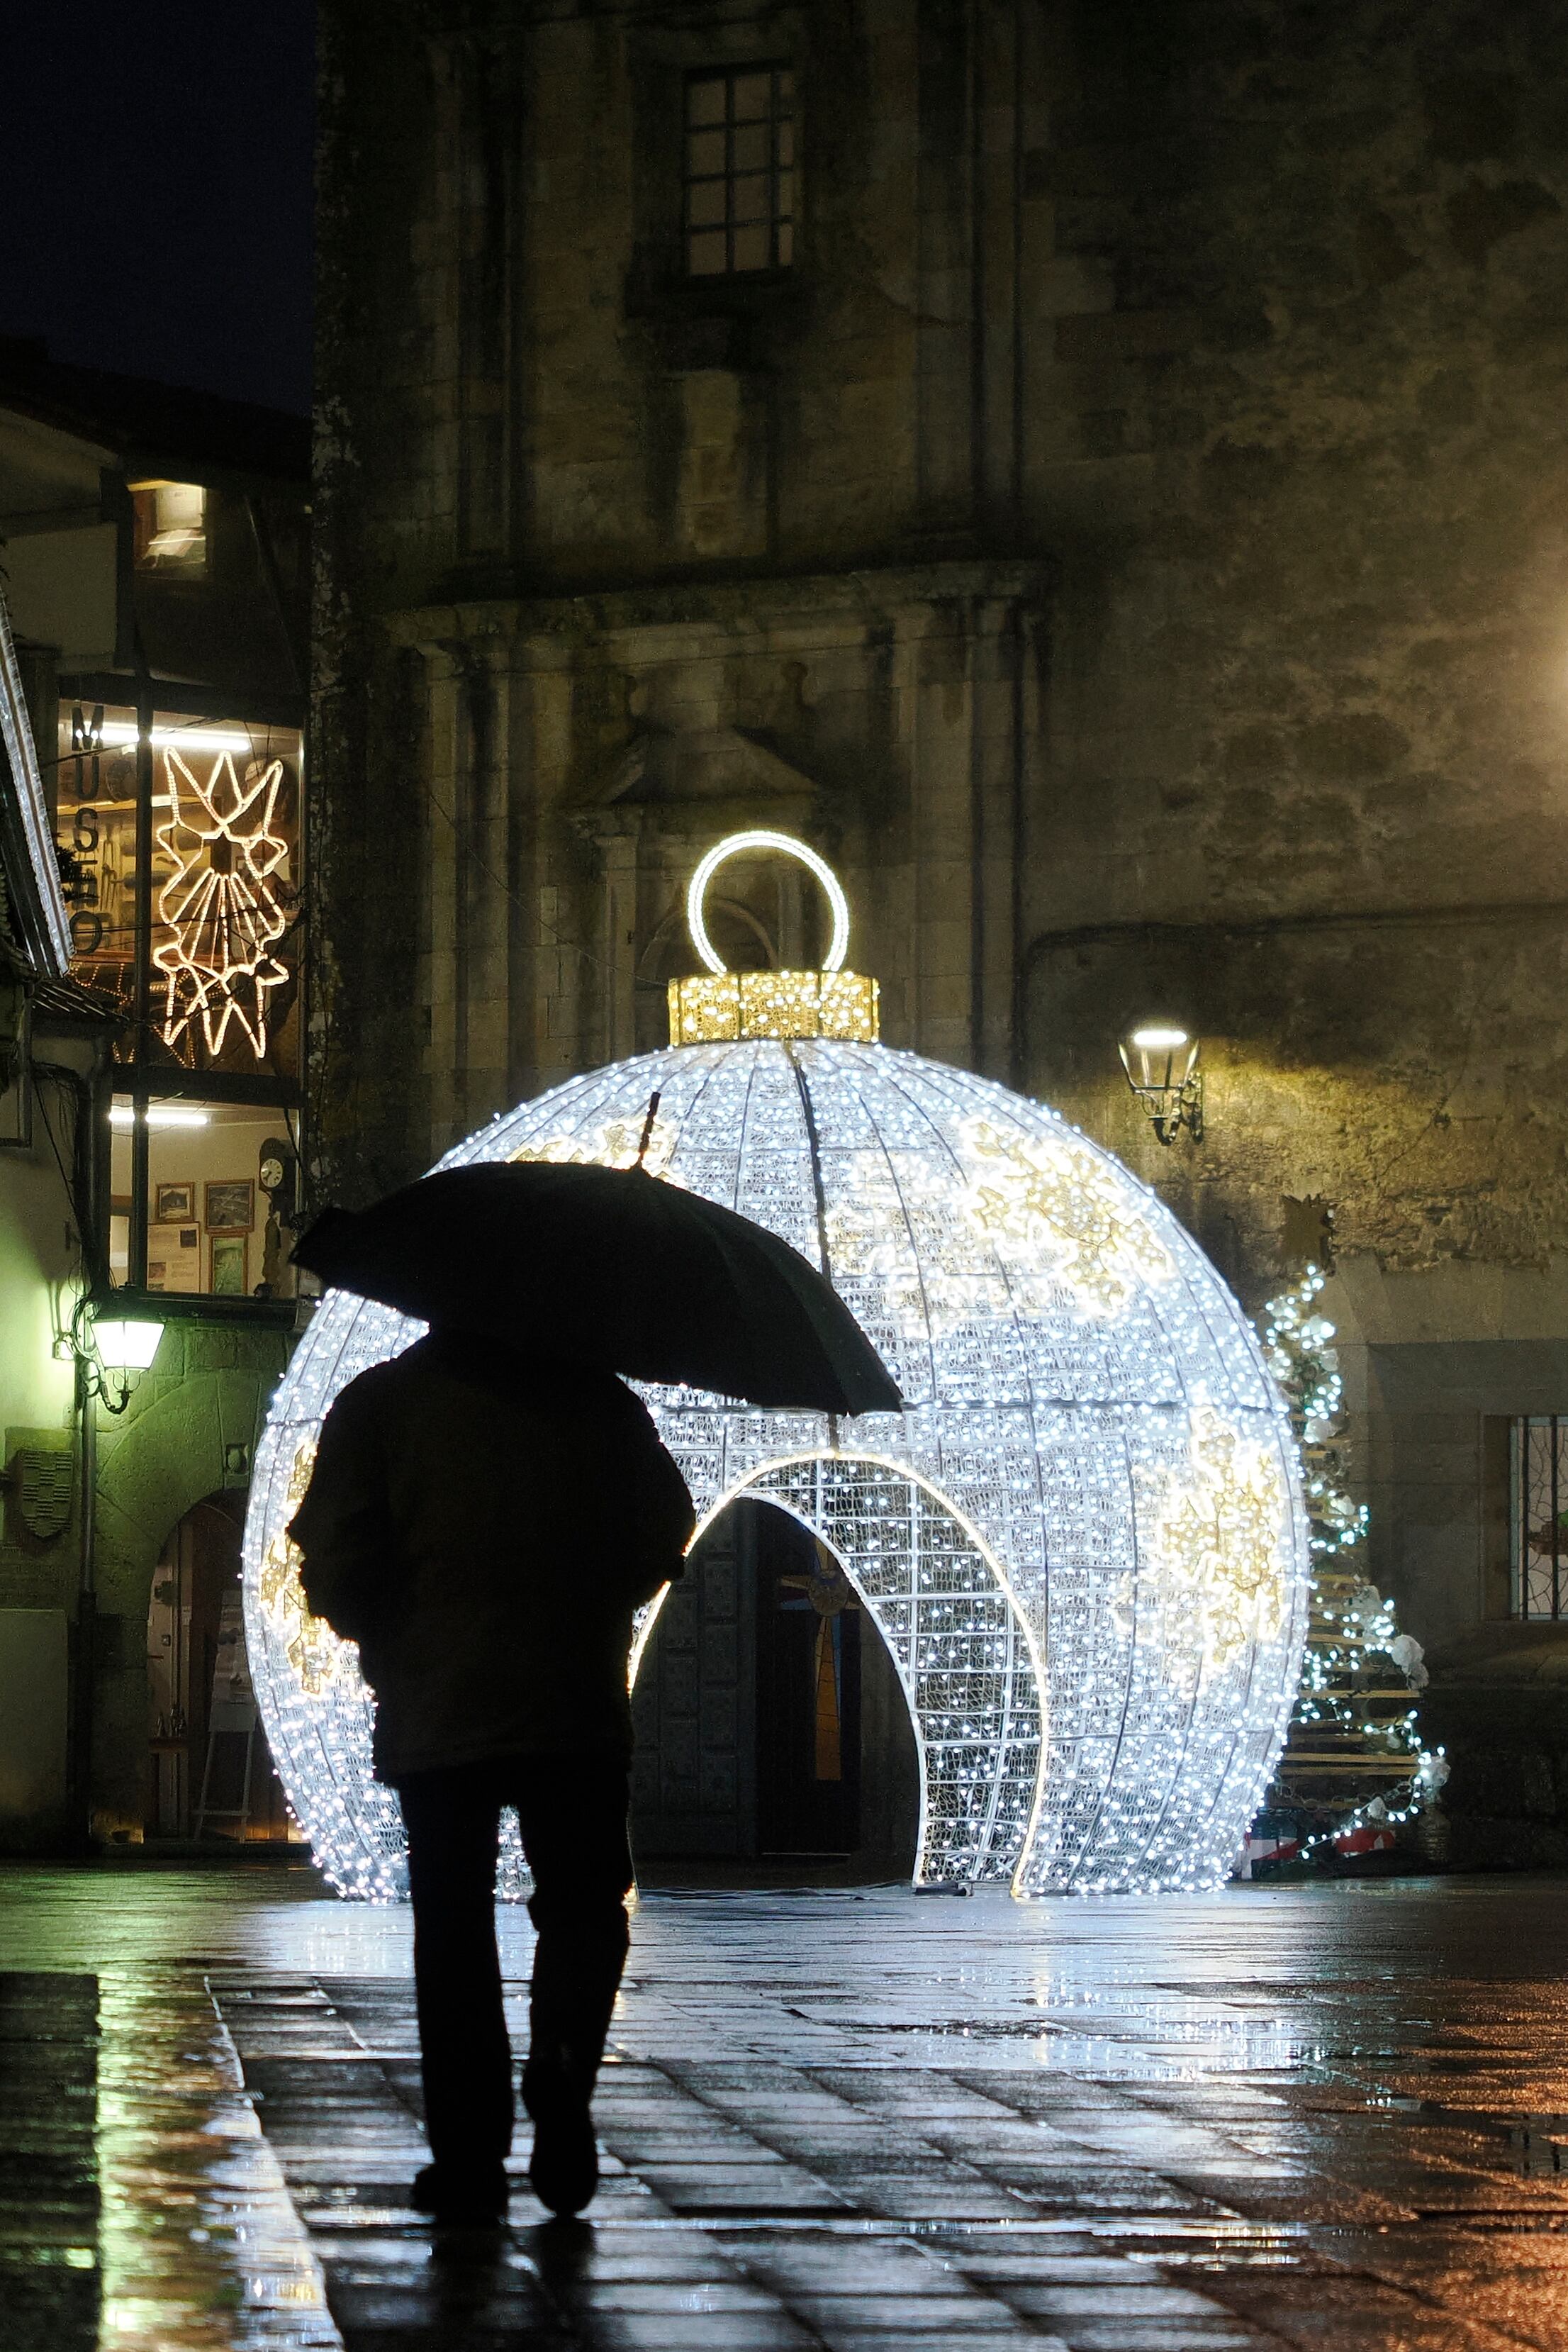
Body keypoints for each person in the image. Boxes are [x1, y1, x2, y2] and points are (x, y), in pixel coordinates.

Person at [289, 1326, 695, 2224]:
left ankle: (470, 2156)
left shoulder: (382, 1402)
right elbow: (664, 1523)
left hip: (441, 1705)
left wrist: (383, 1632)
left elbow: (333, 1553)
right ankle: (562, 2063)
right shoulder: (600, 1399)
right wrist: (598, 1600)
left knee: (455, 1927)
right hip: (573, 1698)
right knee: (586, 1905)